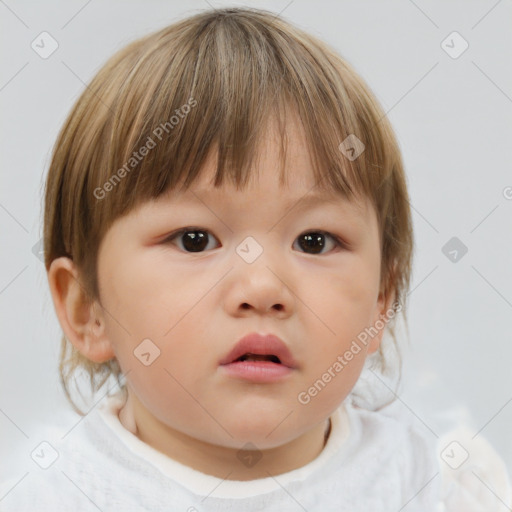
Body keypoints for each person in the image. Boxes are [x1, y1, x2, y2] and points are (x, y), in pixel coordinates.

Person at [2, 6, 510, 511]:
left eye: (314, 241)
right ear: (88, 308)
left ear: (381, 301)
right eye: (195, 240)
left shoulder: (440, 487)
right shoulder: (48, 495)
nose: (263, 289)